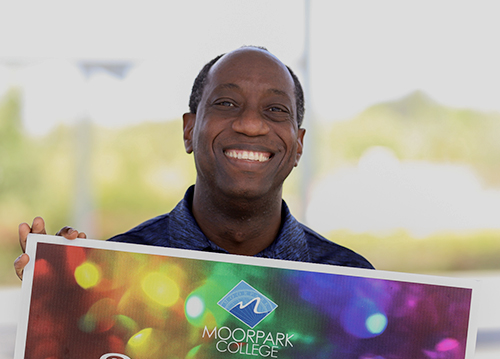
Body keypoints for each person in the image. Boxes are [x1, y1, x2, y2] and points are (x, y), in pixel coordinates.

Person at [15, 46, 372, 280]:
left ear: (298, 145)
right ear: (189, 130)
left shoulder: (356, 283)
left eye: (276, 110)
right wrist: (54, 300)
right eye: (226, 103)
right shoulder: (114, 275)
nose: (250, 124)